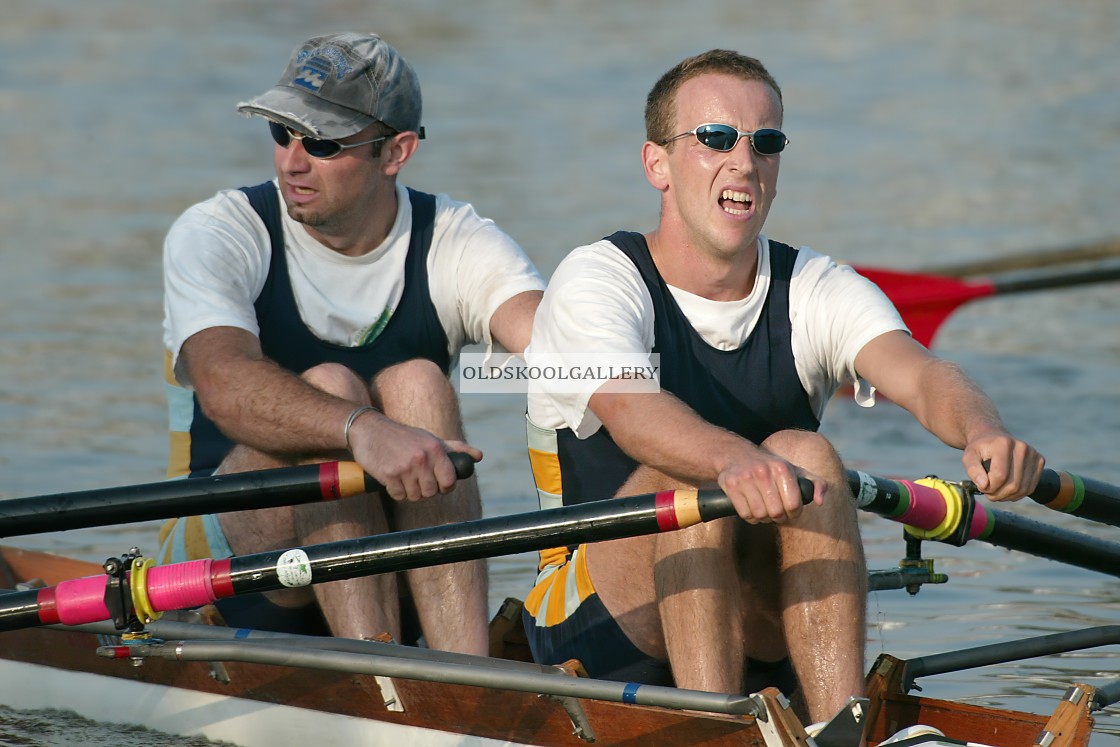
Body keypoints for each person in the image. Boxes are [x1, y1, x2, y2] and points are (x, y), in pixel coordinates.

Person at [520, 49, 1044, 723]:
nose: (744, 161)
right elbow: (631, 410)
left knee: (810, 454)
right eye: (715, 139)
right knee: (693, 479)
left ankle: (836, 724)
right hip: (597, 625)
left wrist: (982, 429)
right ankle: (719, 727)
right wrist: (732, 459)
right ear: (657, 164)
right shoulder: (598, 279)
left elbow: (920, 373)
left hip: (758, 618)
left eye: (765, 142)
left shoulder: (816, 285)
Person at [158, 32, 544, 655]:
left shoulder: (457, 239)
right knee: (335, 388)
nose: (291, 161)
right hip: (233, 574)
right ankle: (382, 678)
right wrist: (359, 427)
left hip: (392, 570)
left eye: (323, 142)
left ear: (397, 151)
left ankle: (461, 673)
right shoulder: (219, 232)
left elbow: (561, 354)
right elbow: (225, 386)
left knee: (422, 382)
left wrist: (662, 383)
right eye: (282, 134)